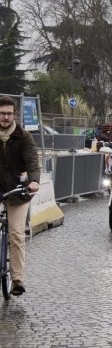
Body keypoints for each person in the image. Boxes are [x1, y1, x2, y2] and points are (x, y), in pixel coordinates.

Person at [0, 95, 41, 296]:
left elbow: (33, 161)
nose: (5, 117)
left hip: (17, 191)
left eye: (9, 113)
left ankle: (16, 279)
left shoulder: (24, 137)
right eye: (2, 113)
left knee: (16, 234)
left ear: (14, 114)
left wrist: (34, 181)